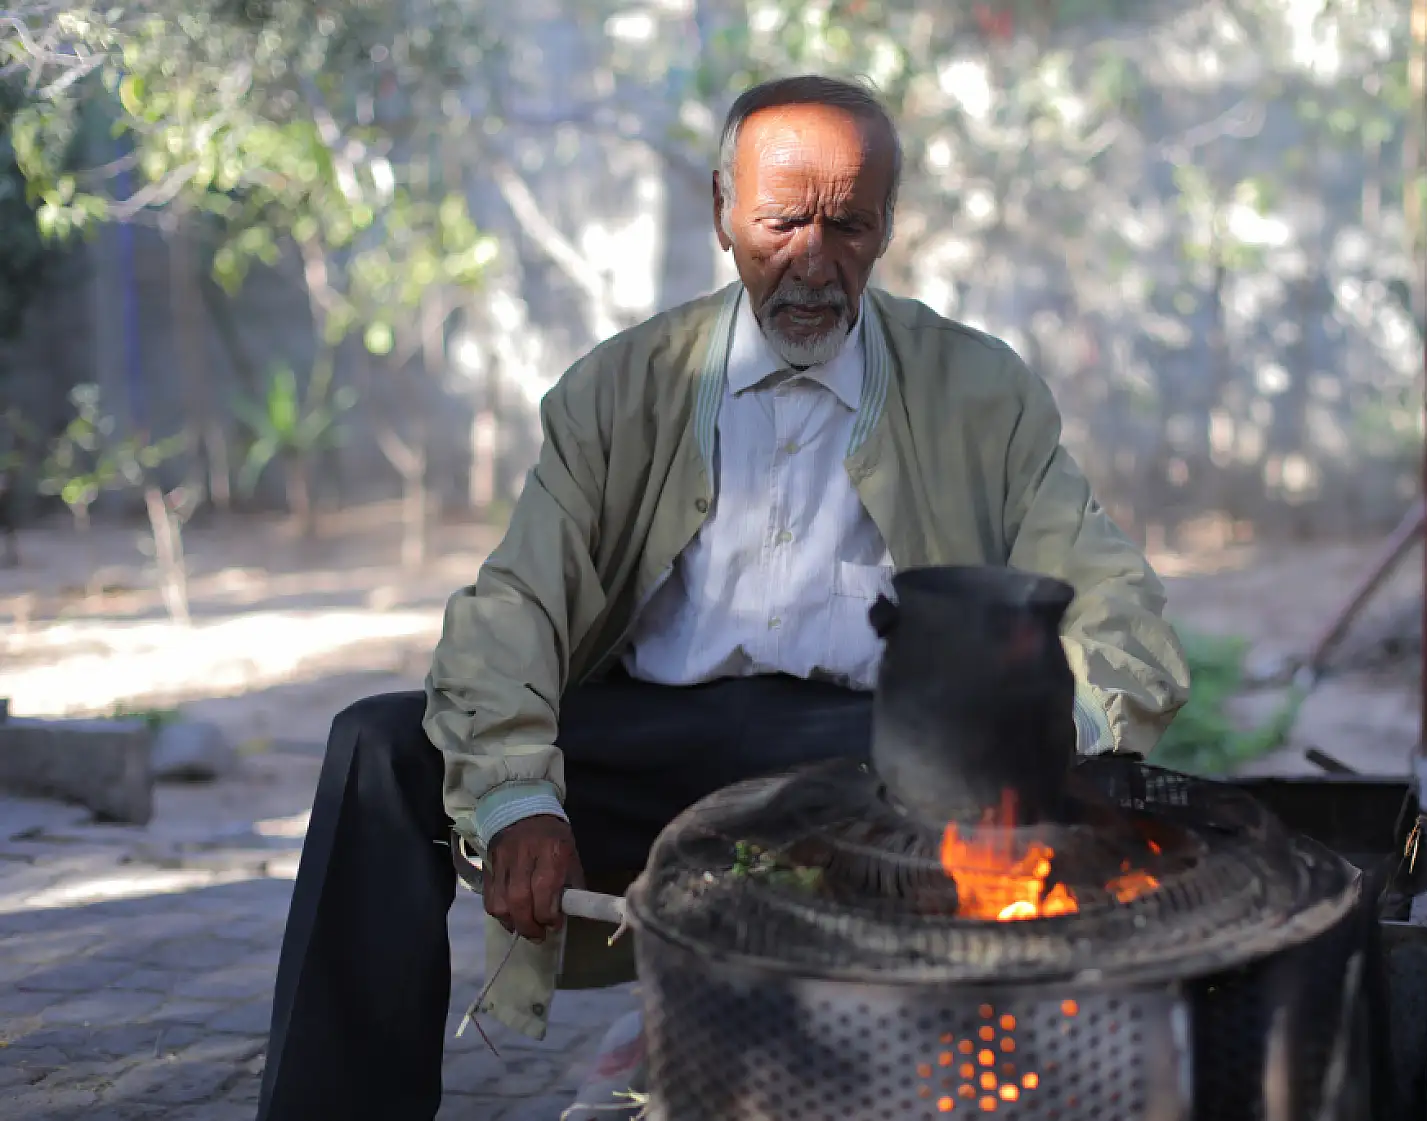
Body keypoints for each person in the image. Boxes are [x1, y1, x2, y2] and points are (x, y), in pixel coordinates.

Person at [255, 73, 1191, 1121]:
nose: (810, 258)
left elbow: (1109, 594)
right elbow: (515, 602)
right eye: (779, 219)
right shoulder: (622, 385)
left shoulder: (979, 389)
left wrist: (1049, 732)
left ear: (886, 227)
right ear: (720, 213)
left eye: (847, 225)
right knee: (379, 748)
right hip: (653, 740)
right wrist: (515, 791)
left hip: (876, 759)